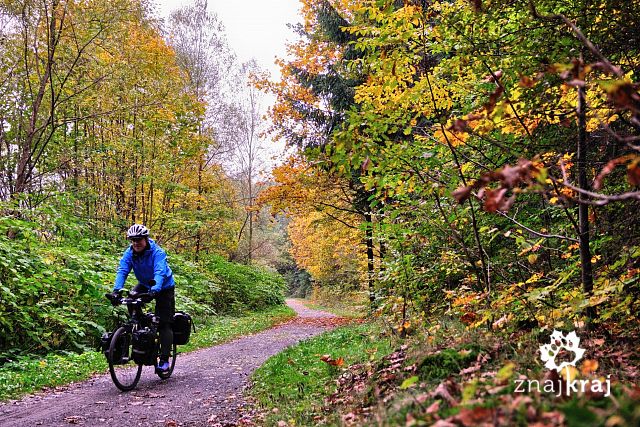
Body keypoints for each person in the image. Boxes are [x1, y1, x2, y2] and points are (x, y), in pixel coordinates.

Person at [110, 224, 175, 373]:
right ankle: (143, 324)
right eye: (133, 240)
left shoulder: (157, 253)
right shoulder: (130, 253)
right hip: (145, 283)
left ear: (146, 239)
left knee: (165, 323)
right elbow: (122, 270)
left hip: (164, 286)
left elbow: (160, 272)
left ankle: (164, 360)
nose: (136, 243)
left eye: (139, 239)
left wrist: (155, 290)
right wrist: (116, 290)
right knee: (132, 297)